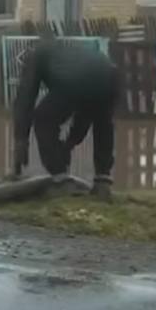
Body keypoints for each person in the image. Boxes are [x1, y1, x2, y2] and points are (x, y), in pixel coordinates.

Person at [11, 37, 122, 198]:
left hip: (78, 77)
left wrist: (21, 140)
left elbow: (25, 99)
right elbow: (85, 115)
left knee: (43, 119)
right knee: (103, 123)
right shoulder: (65, 52)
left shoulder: (35, 57)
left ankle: (60, 180)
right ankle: (102, 181)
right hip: (110, 73)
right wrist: (69, 144)